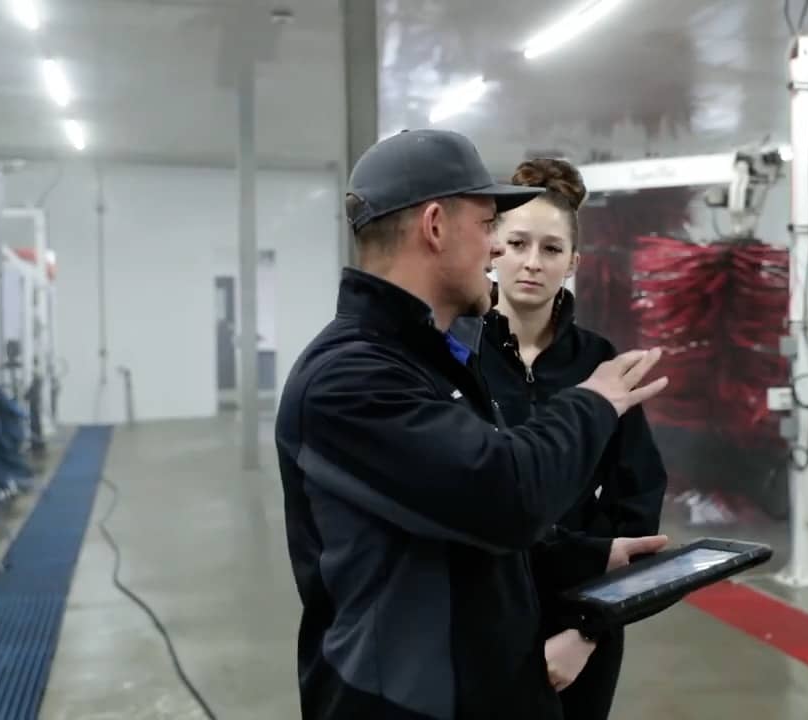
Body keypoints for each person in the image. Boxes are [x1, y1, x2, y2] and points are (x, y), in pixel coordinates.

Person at [275, 128, 669, 720]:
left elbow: (461, 528)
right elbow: (504, 492)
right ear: (435, 225)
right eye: (490, 228)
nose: (496, 253)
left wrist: (589, 561)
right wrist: (592, 402)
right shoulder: (350, 380)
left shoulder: (428, 360)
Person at [469, 158, 668, 718]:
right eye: (517, 243)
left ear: (573, 263)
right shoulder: (457, 356)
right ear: (492, 249)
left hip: (584, 616)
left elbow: (638, 500)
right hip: (483, 612)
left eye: (552, 249)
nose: (532, 263)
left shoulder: (600, 363)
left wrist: (588, 629)